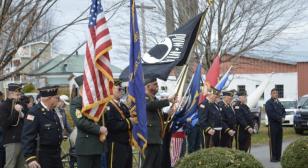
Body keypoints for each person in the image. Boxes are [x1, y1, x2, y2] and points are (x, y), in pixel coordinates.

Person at [69, 75, 107, 168]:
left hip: (98, 145)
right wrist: (99, 129)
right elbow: (80, 122)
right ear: (83, 89)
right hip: (85, 147)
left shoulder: (95, 102)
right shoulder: (77, 102)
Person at [22, 85, 63, 168]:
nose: (58, 100)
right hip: (42, 156)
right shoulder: (34, 112)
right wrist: (30, 158)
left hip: (55, 154)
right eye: (56, 98)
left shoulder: (52, 111)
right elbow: (27, 136)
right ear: (49, 98)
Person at [142, 79, 176, 168]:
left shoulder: (155, 99)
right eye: (154, 84)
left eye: (157, 84)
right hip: (149, 137)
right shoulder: (143, 97)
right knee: (148, 164)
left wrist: (167, 114)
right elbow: (150, 106)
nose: (157, 86)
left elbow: (158, 115)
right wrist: (168, 101)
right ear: (147, 86)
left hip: (157, 137)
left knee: (157, 164)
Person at [105, 80, 135, 168]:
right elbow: (112, 125)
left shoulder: (122, 105)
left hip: (126, 143)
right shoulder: (108, 106)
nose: (121, 91)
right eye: (119, 89)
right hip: (116, 144)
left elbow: (129, 117)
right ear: (111, 89)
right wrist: (129, 122)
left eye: (122, 89)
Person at [0, 83, 25, 168]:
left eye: (19, 94)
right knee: (10, 165)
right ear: (11, 93)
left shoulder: (20, 104)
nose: (19, 96)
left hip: (22, 139)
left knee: (22, 166)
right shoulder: (3, 106)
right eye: (17, 94)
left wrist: (22, 114)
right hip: (11, 140)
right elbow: (5, 124)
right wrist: (16, 112)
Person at [265, 88, 286, 162]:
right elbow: (271, 114)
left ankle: (278, 156)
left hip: (279, 125)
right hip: (273, 125)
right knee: (273, 141)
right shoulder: (268, 103)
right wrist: (280, 119)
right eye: (274, 93)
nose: (276, 94)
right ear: (271, 94)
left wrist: (283, 117)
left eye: (276, 93)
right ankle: (274, 157)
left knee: (279, 141)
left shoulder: (278, 102)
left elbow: (283, 110)